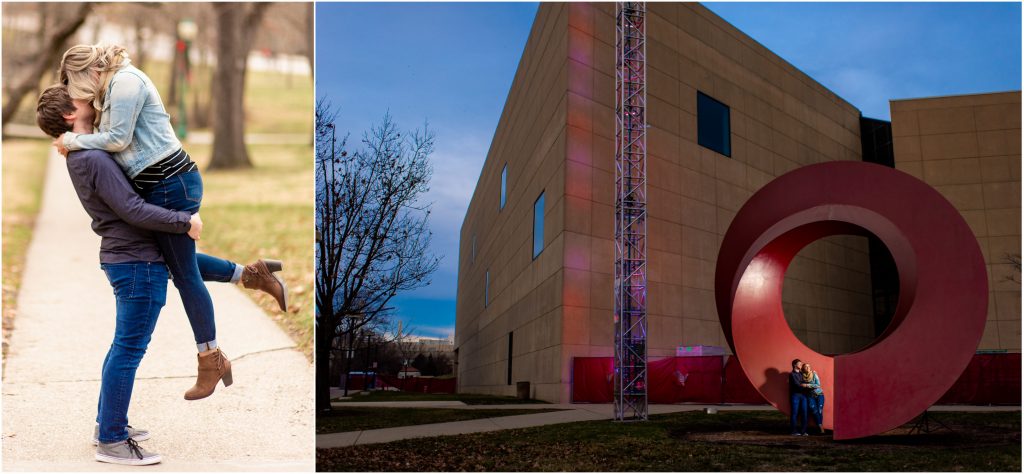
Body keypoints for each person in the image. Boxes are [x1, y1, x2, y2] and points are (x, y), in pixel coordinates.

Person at [36, 84, 279, 464]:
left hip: (130, 257)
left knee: (123, 346)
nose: (90, 97)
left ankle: (108, 425)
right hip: (135, 265)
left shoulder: (86, 152)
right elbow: (133, 208)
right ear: (70, 114)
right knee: (128, 351)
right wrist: (184, 222)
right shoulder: (93, 159)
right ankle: (113, 441)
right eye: (81, 98)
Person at [53, 44, 288, 400]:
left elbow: (117, 140)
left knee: (183, 274)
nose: (77, 93)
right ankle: (253, 275)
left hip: (170, 183)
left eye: (74, 84)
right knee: (175, 261)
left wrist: (74, 139)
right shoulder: (111, 88)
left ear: (86, 71)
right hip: (158, 185)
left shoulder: (126, 83)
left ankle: (211, 359)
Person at [801, 362, 826, 434]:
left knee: (819, 410)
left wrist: (807, 385)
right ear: (803, 368)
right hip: (810, 396)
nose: (808, 368)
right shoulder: (801, 375)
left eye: (809, 366)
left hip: (819, 394)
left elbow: (818, 385)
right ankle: (820, 427)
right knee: (814, 411)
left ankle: (820, 428)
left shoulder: (814, 374)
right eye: (806, 367)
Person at [788, 358, 809, 436]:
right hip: (795, 395)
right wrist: (806, 385)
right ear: (794, 365)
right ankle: (793, 431)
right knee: (794, 413)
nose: (801, 365)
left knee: (804, 413)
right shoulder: (792, 374)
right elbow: (797, 385)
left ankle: (804, 431)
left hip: (803, 396)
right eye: (799, 364)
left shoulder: (801, 374)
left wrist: (806, 384)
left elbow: (806, 382)